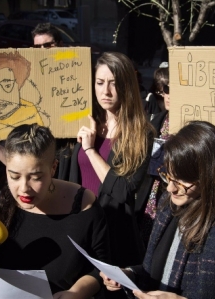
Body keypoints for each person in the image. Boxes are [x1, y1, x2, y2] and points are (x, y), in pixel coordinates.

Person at [101, 121, 215, 298]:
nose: (170, 189)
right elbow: (153, 272)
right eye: (168, 176)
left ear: (210, 177)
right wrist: (127, 274)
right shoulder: (170, 207)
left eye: (181, 182)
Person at [0, 124, 109, 298]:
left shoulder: (84, 207)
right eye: (15, 176)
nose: (24, 188)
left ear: (53, 168)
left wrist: (76, 292)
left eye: (36, 177)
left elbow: (102, 268)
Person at [69, 52, 155, 269]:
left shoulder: (140, 134)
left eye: (113, 84)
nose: (105, 91)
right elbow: (48, 168)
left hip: (113, 236)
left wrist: (90, 150)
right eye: (100, 82)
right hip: (79, 229)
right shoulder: (86, 122)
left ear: (127, 87)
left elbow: (122, 190)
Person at [136, 64, 170, 246]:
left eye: (175, 89)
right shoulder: (155, 121)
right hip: (152, 195)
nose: (169, 94)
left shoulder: (195, 128)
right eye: (166, 89)